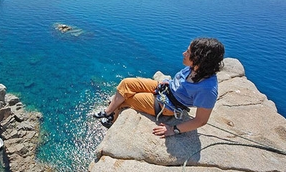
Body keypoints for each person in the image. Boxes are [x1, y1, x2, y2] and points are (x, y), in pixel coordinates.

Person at [94, 37, 225, 138]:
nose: (183, 53)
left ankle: (112, 121)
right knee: (126, 83)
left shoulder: (207, 89)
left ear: (199, 59)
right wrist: (170, 82)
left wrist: (174, 130)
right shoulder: (194, 68)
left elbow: (201, 121)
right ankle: (108, 112)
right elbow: (181, 82)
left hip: (167, 105)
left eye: (188, 52)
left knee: (128, 100)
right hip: (165, 90)